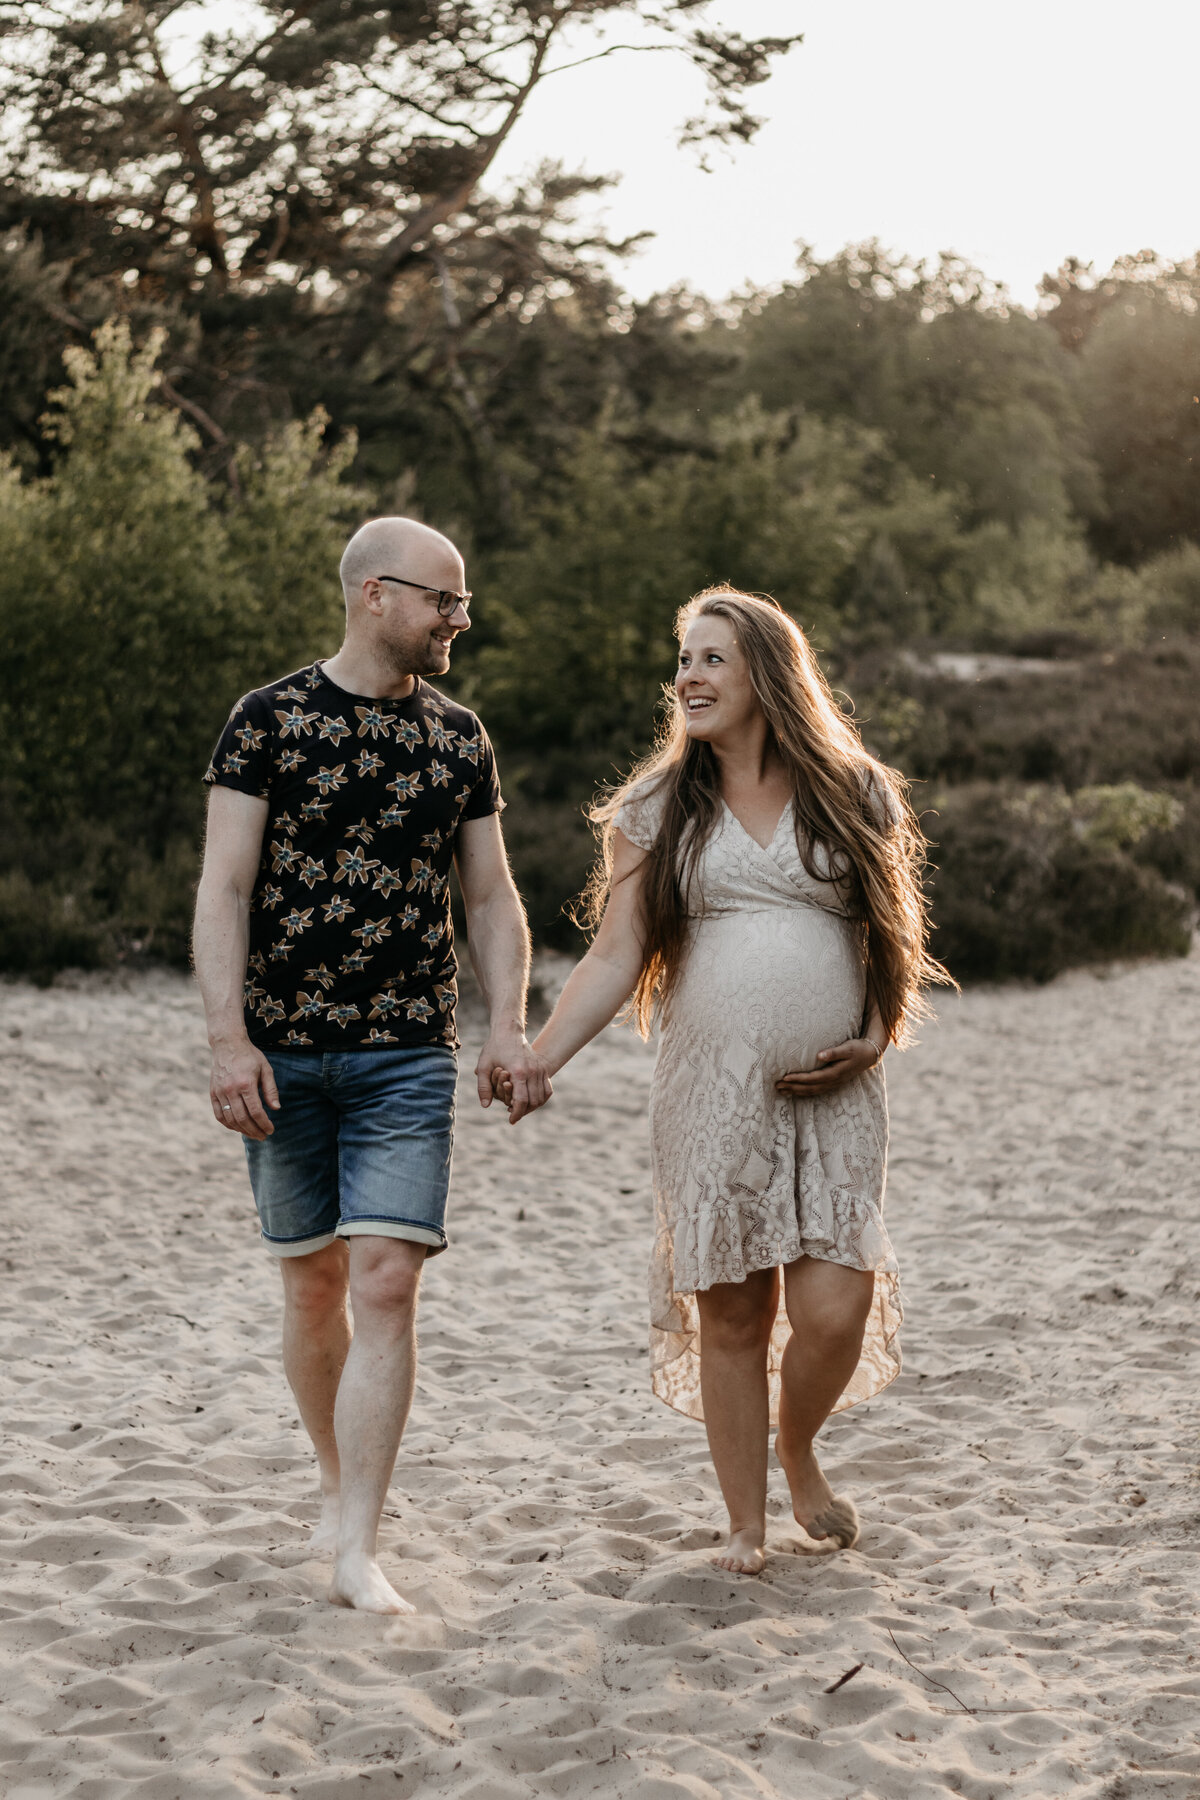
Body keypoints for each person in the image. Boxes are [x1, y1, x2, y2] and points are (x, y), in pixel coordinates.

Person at [496, 587, 949, 1575]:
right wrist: (537, 1058)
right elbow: (615, 956)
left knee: (833, 1306)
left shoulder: (856, 788)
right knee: (735, 1313)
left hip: (835, 1095)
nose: (688, 678)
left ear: (767, 677)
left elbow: (893, 931)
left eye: (711, 660)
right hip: (711, 1090)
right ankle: (745, 1519)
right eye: (684, 661)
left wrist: (875, 1032)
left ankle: (799, 1447)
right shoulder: (654, 810)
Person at [192, 516, 552, 1615]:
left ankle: (358, 1542)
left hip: (406, 1051)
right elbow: (225, 890)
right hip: (283, 1054)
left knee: (387, 1280)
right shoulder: (267, 721)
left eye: (464, 603)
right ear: (373, 596)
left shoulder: (460, 737)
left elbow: (490, 897)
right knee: (312, 1286)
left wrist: (506, 1025)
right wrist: (225, 1038)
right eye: (442, 600)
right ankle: (337, 1479)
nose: (458, 619)